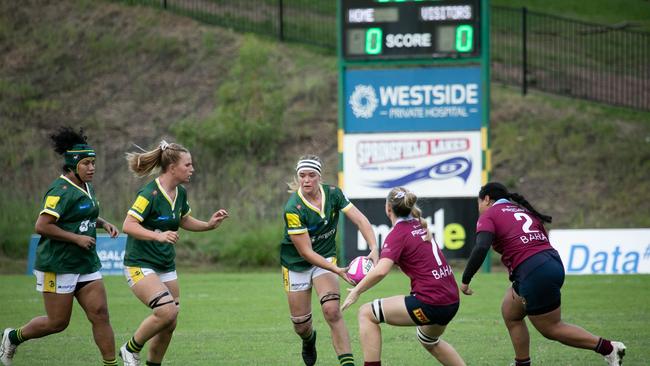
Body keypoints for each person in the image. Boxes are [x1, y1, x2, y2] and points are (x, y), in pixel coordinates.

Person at [460, 182, 626, 366]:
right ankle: (522, 363)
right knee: (510, 311)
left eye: (479, 203)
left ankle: (609, 348)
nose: (479, 208)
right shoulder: (523, 211)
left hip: (532, 270)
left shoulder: (490, 214)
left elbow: (482, 246)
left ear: (487, 199)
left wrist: (466, 279)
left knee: (551, 328)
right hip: (551, 262)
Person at [0, 127, 120, 366]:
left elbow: (80, 216)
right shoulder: (60, 190)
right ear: (73, 165)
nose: (92, 168)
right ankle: (12, 337)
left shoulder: (87, 186)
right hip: (58, 264)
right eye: (86, 163)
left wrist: (103, 223)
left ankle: (111, 364)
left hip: (85, 263)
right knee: (57, 323)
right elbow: (42, 225)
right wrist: (76, 239)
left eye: (93, 163)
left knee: (100, 314)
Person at [118, 140, 229, 366]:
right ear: (172, 168)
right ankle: (130, 349)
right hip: (140, 264)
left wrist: (208, 225)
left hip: (165, 264)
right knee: (166, 311)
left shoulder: (180, 192)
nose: (192, 169)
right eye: (188, 165)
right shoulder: (149, 193)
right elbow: (128, 225)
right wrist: (158, 236)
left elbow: (183, 219)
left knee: (170, 322)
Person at [341, 187, 466, 366]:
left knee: (366, 313)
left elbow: (382, 270)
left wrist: (356, 291)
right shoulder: (419, 224)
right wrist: (377, 257)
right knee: (428, 340)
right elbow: (400, 260)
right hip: (451, 300)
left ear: (388, 208)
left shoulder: (397, 233)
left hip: (430, 302)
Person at [281, 154, 378, 366]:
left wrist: (374, 247)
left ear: (319, 176)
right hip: (297, 264)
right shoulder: (293, 208)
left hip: (325, 258)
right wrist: (338, 271)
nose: (306, 180)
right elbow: (306, 252)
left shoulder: (333, 194)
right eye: (302, 176)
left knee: (332, 311)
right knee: (301, 325)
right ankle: (308, 340)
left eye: (311, 175)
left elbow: (360, 220)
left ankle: (347, 363)